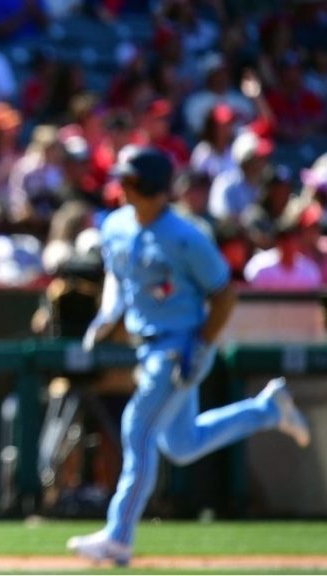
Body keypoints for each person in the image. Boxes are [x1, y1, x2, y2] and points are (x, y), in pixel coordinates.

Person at [66, 147, 311, 566]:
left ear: (156, 189)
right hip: (149, 344)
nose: (124, 187)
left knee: (137, 429)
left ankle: (119, 536)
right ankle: (268, 411)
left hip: (180, 345)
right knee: (181, 443)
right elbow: (117, 271)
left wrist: (200, 347)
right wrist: (108, 315)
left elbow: (224, 295)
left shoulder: (185, 236)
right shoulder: (118, 225)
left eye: (132, 181)